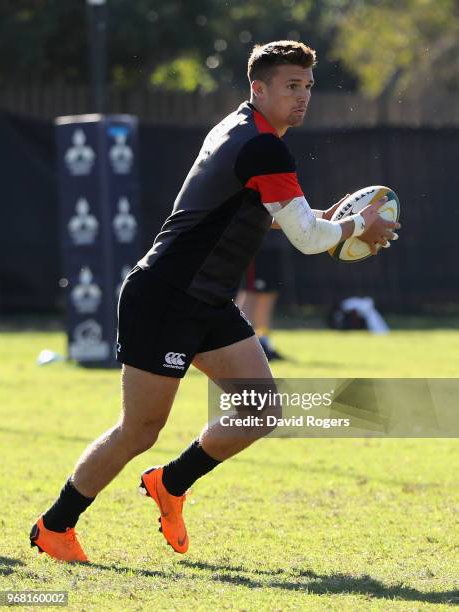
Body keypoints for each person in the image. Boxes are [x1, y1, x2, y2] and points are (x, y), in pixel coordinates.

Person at [30, 40, 400, 562]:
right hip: (165, 298)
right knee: (139, 429)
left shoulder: (243, 128)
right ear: (259, 88)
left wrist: (330, 222)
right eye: (291, 86)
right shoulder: (263, 146)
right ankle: (54, 526)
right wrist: (358, 224)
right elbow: (309, 239)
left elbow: (268, 213)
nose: (302, 98)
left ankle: (171, 483)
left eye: (308, 87)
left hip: (206, 300)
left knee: (260, 409)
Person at [237, 230, 288, 361]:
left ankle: (263, 343)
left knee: (268, 295)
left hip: (274, 244)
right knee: (250, 293)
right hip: (255, 243)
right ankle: (237, 345)